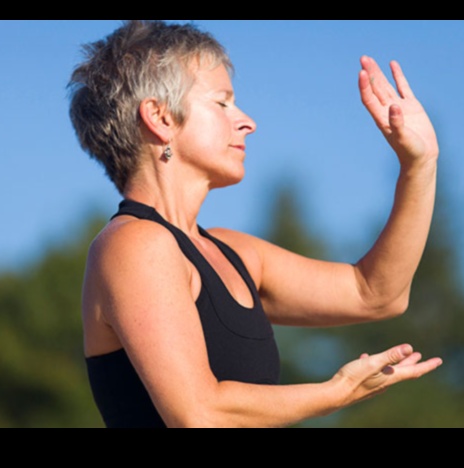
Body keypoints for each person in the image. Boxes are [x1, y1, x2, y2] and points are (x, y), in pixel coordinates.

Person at [69, 20, 442, 428]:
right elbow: (199, 413)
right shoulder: (134, 245)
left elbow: (376, 293)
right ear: (160, 118)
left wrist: (419, 165)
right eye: (222, 102)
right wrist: (336, 392)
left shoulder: (236, 254)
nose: (247, 121)